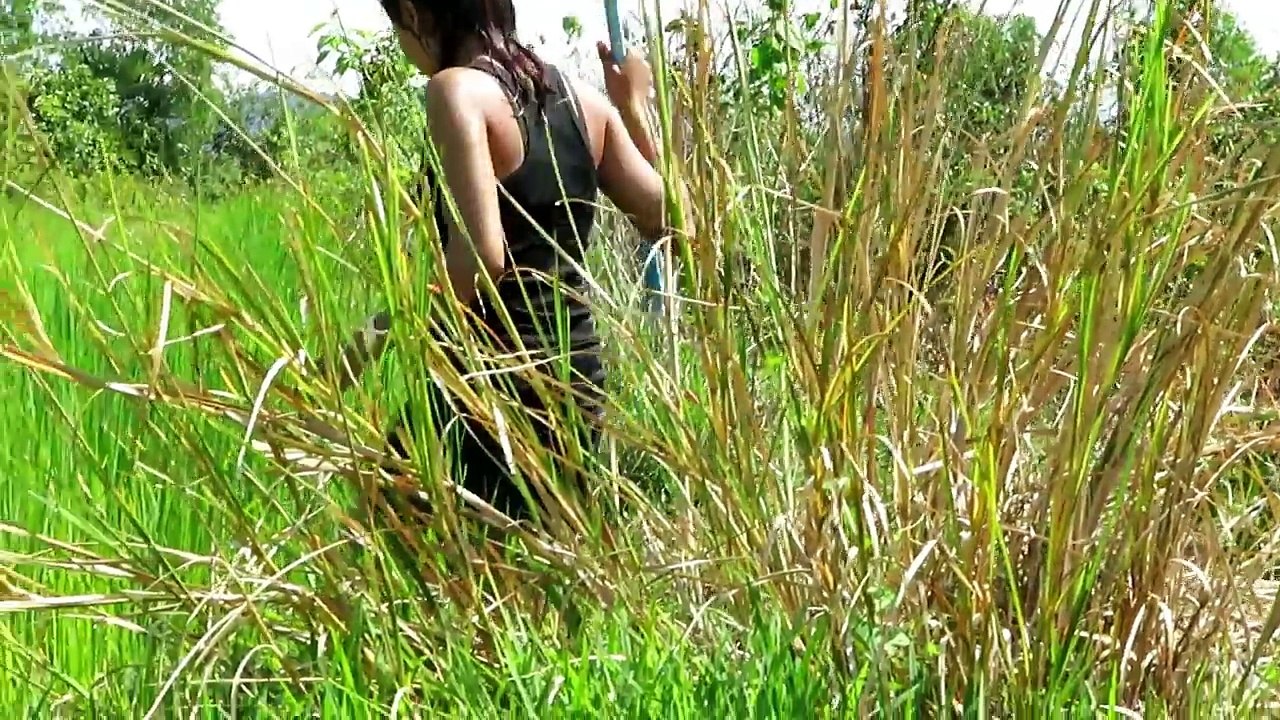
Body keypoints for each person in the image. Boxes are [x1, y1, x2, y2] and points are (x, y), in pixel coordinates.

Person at [336, 0, 682, 524]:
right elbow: (672, 224)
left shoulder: (454, 91)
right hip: (577, 384)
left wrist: (359, 349)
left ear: (414, 11)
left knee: (394, 540)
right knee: (535, 580)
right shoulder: (585, 102)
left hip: (490, 385)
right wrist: (633, 111)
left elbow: (480, 258)